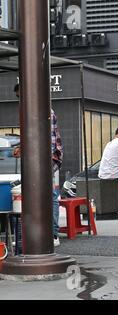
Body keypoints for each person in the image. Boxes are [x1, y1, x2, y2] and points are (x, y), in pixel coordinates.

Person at [13, 84, 63, 247]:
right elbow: (32, 134)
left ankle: (53, 234)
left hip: (48, 155)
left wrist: (26, 148)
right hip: (42, 154)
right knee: (40, 192)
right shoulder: (31, 109)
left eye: (21, 95)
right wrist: (22, 146)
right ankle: (38, 233)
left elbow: (44, 137)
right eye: (18, 97)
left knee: (50, 194)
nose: (20, 99)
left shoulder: (42, 109)